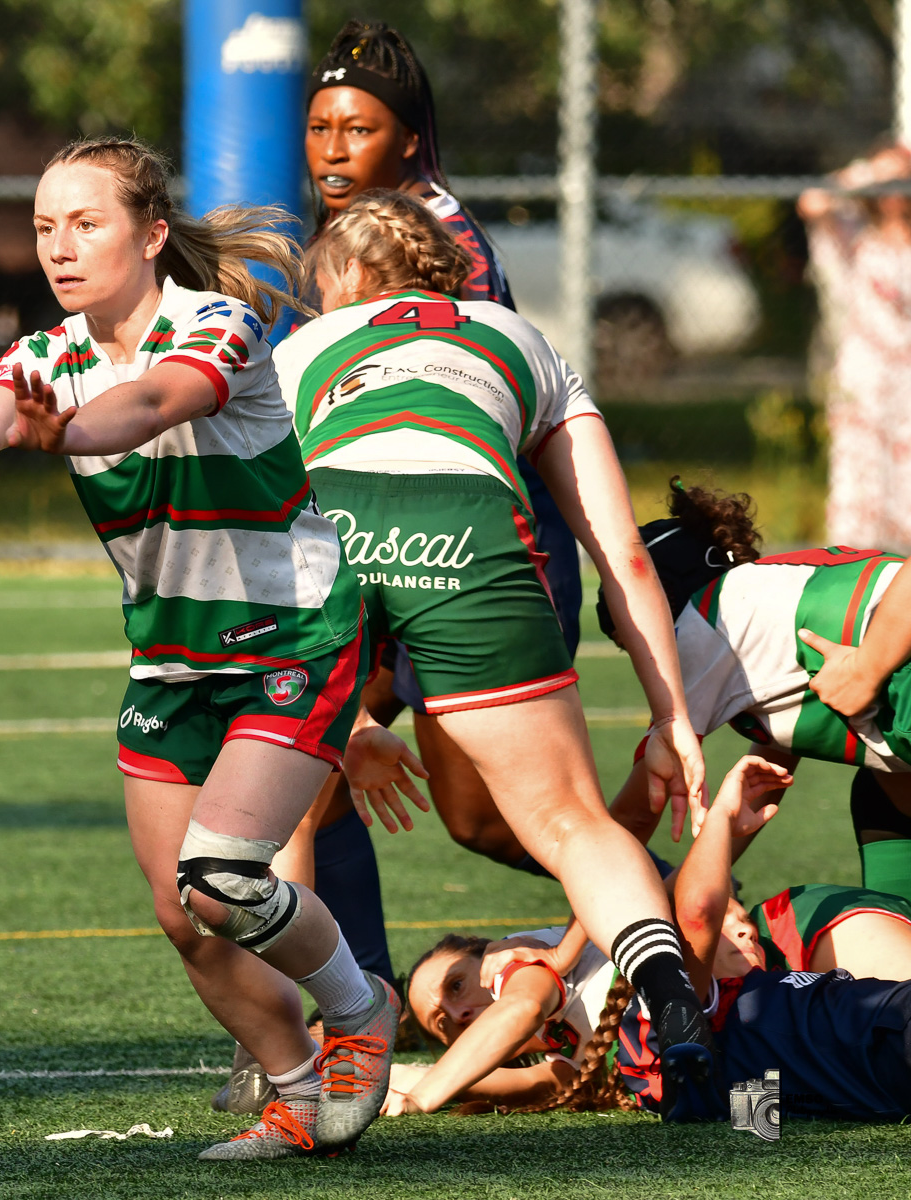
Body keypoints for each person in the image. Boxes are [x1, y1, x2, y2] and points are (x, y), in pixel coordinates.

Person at [0, 136, 408, 1160]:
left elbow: (153, 403)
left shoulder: (216, 324)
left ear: (152, 234)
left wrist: (61, 433)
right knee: (182, 913)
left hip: (292, 635)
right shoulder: (47, 356)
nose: (59, 247)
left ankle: (360, 1006)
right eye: (44, 228)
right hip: (171, 657)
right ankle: (297, 1091)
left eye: (85, 223)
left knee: (222, 878)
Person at [270, 187, 719, 1124]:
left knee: (281, 803)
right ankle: (677, 1007)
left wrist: (342, 721)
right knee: (568, 822)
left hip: (336, 527)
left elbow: (256, 531)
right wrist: (671, 715)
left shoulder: (304, 348)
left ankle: (286, 1051)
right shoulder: (523, 340)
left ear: (350, 272)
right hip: (468, 534)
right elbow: (623, 553)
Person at [280, 18, 580, 988]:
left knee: (484, 818)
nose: (332, 149)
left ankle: (695, 919)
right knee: (300, 765)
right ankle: (351, 1001)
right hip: (383, 551)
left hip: (476, 554)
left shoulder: (436, 245)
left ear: (409, 140)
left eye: (358, 129)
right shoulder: (358, 232)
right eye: (320, 127)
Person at [395, 756, 911, 1120]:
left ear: (486, 952)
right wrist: (372, 1076)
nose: (460, 1012)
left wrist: (424, 1096)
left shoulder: (518, 964)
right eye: (445, 1025)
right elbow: (510, 1082)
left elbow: (519, 1011)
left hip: (784, 939)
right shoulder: (578, 1057)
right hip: (756, 999)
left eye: (455, 986)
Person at [597, 480, 911, 900]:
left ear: (657, 605)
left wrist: (585, 935)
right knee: (883, 791)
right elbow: (767, 779)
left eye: (631, 643)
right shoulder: (764, 598)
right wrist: (683, 894)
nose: (640, 661)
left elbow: (633, 818)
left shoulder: (699, 628)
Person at [800, 144, 911, 552]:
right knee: (860, 476)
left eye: (903, 182)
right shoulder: (854, 238)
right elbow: (812, 201)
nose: (895, 193)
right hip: (865, 379)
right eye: (889, 185)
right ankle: (856, 566)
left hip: (907, 381)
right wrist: (872, 171)